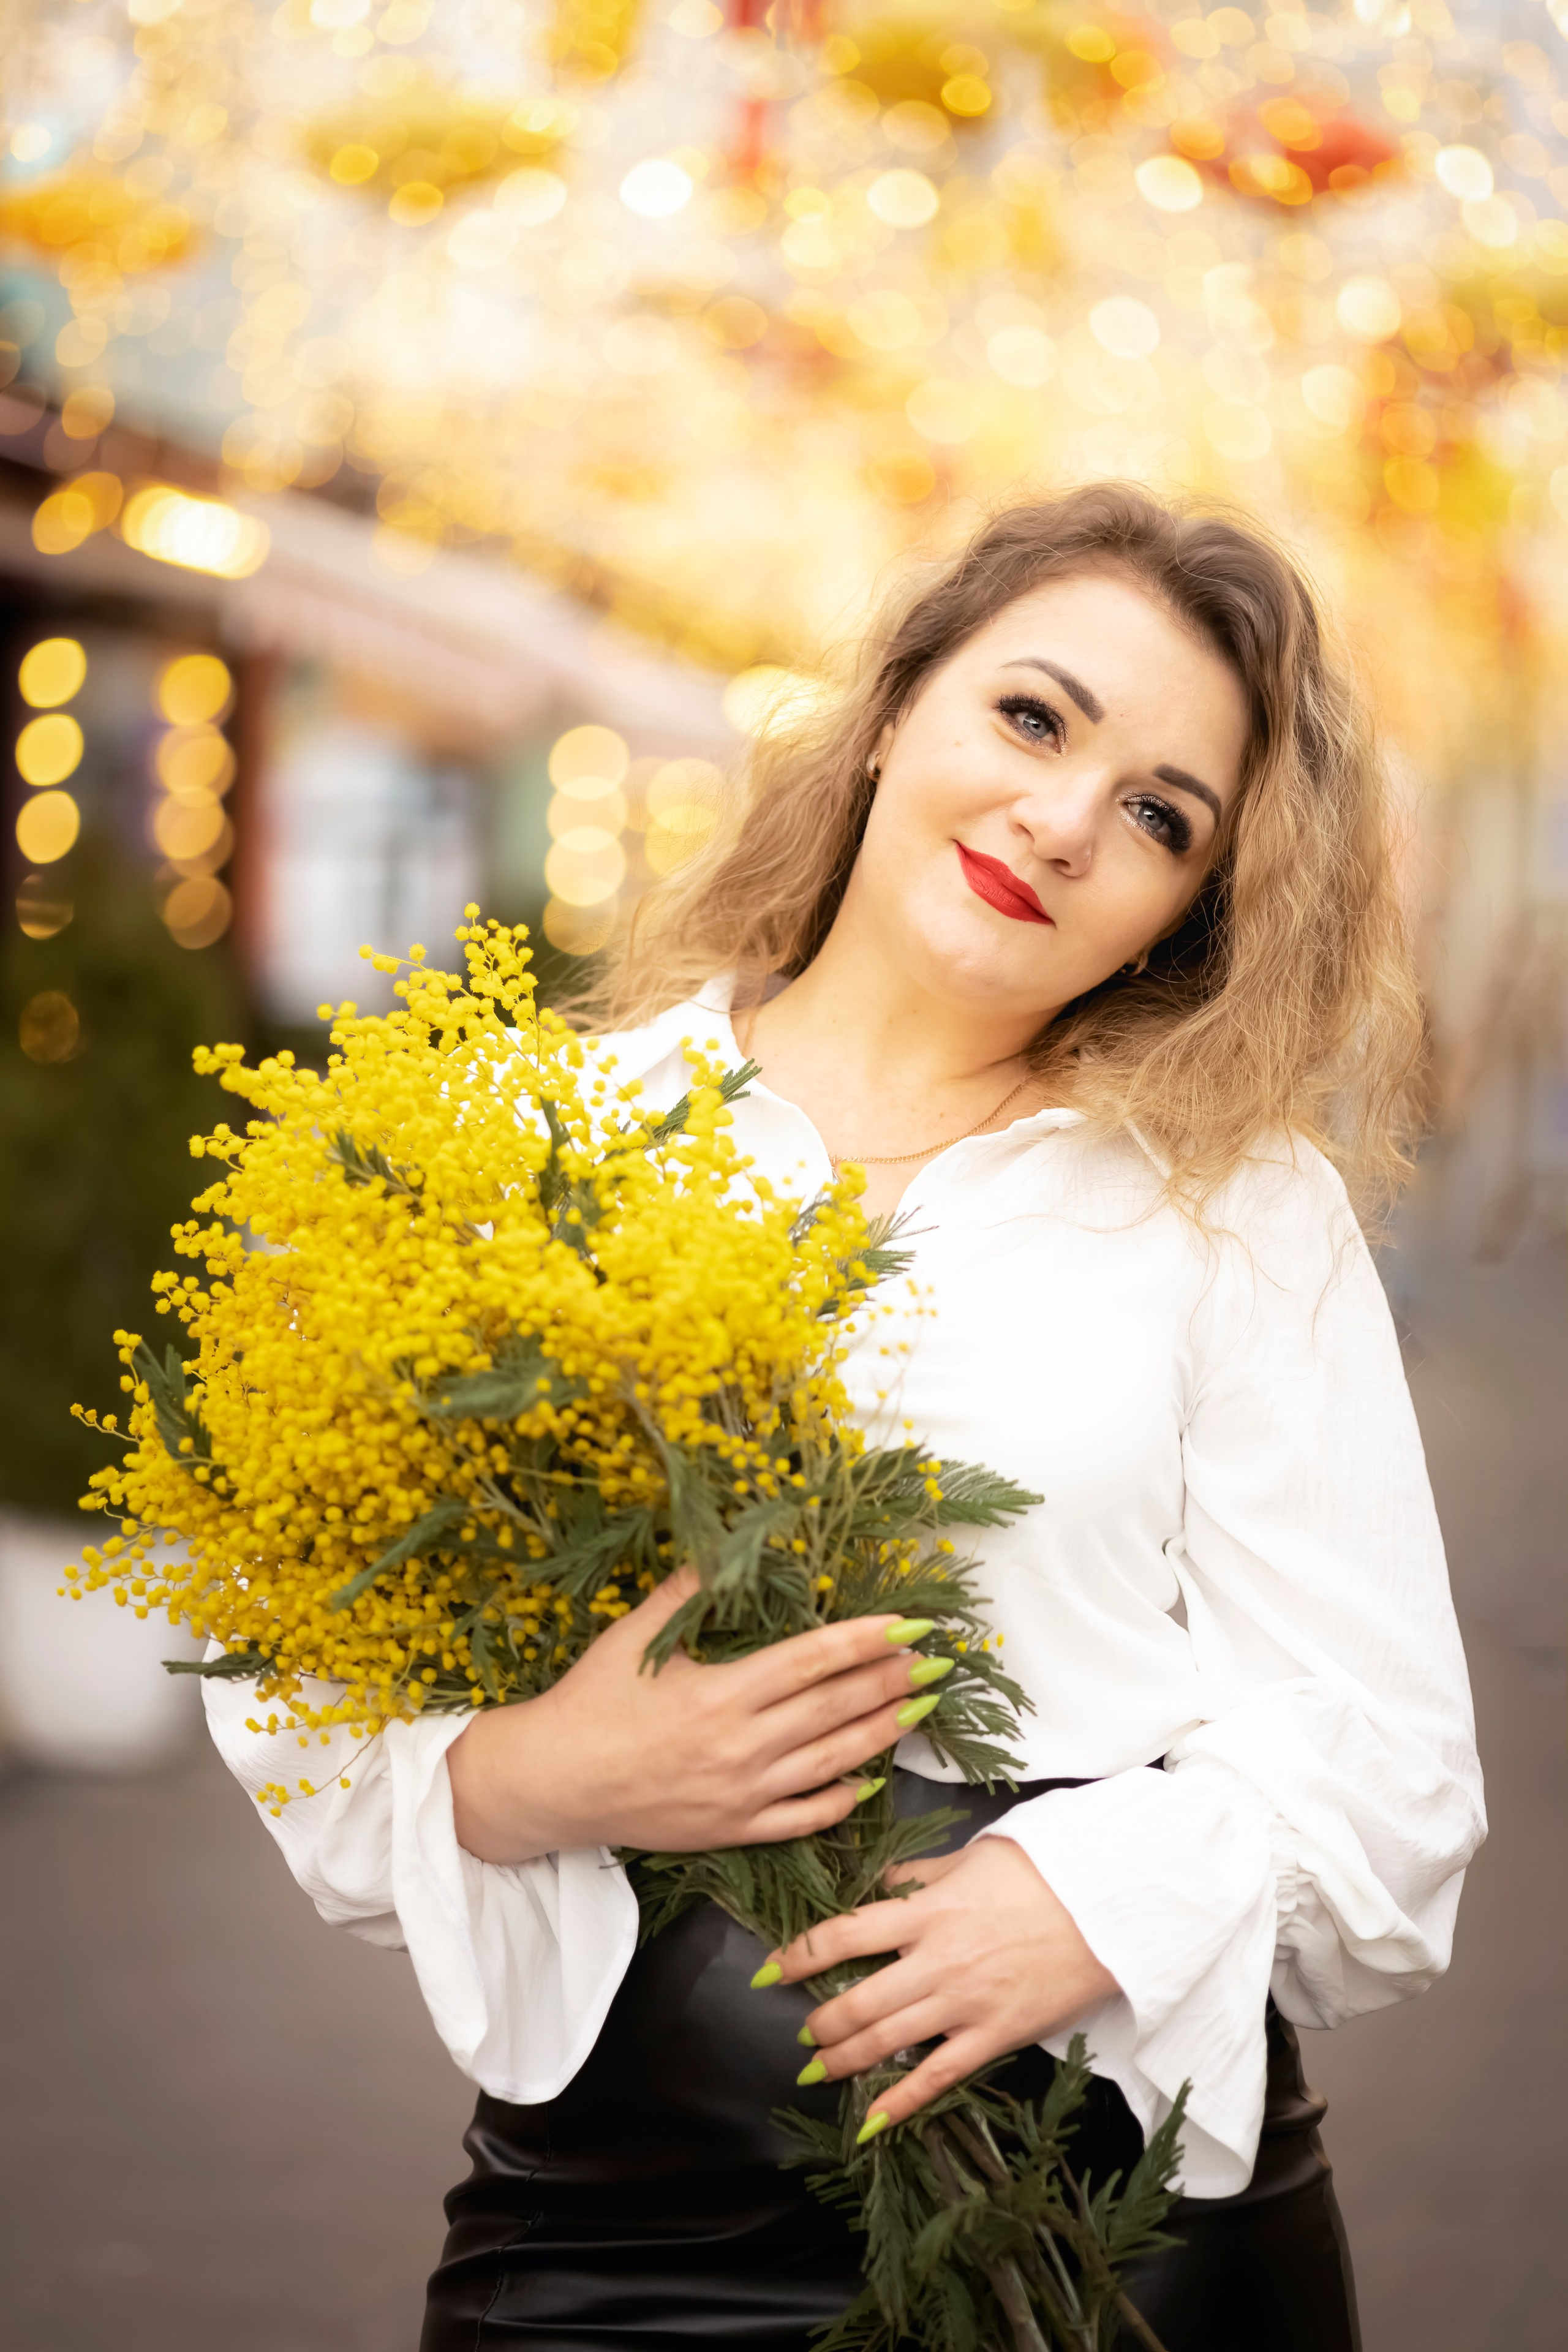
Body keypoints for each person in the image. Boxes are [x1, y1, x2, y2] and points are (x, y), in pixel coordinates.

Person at [205, 484, 1483, 2351]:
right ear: (892, 711)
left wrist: (1091, 1893)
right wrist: (546, 1773)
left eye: (1159, 816)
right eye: (1032, 718)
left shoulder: (1237, 1207)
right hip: (618, 2234)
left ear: (1192, 910)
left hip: (1103, 2226)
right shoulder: (535, 1147)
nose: (1064, 821)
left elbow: (1395, 1777)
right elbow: (290, 1685)